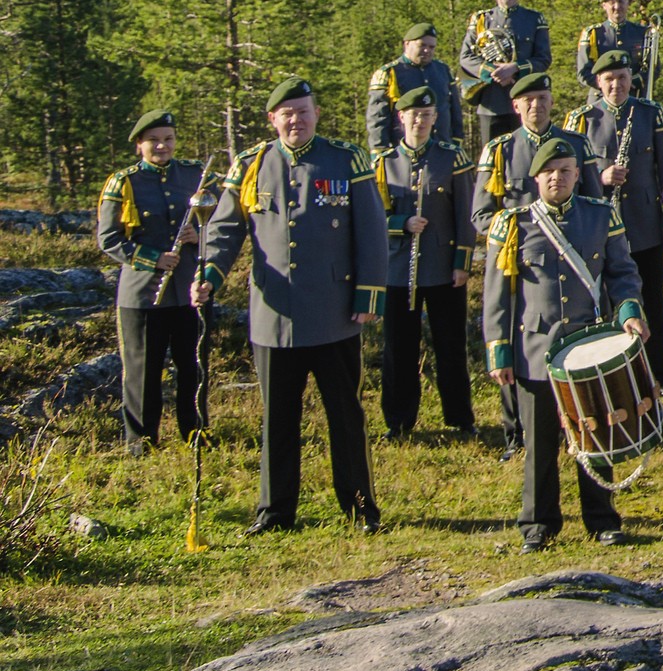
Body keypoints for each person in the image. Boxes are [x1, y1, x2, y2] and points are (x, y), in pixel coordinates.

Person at [195, 77, 385, 535]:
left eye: (303, 111)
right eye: (287, 113)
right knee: (277, 420)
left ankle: (361, 509)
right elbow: (224, 231)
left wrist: (369, 294)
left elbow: (371, 231)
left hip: (334, 313)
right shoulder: (250, 164)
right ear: (272, 120)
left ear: (316, 114)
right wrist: (209, 277)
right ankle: (275, 513)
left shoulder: (347, 158)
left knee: (345, 415)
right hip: (273, 315)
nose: (296, 120)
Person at [482, 137, 646, 552]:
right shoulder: (513, 224)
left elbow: (622, 273)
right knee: (538, 445)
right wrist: (499, 350)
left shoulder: (601, 215)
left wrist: (628, 311)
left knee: (596, 436)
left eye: (566, 170)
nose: (558, 178)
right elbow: (497, 296)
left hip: (589, 344)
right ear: (536, 177)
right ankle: (537, 524)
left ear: (578, 174)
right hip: (535, 350)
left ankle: (602, 518)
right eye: (549, 172)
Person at [473, 72, 604, 459]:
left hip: (572, 266)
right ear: (515, 106)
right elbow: (482, 214)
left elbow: (595, 204)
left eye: (543, 98)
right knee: (522, 351)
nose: (536, 105)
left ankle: (577, 434)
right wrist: (509, 233)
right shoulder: (499, 150)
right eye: (528, 100)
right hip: (519, 264)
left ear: (551, 100)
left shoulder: (577, 144)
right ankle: (520, 436)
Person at [569, 51, 663, 392]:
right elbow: (571, 174)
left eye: (621, 78)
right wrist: (601, 177)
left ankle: (658, 376)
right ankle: (616, 376)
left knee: (652, 300)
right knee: (604, 301)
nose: (616, 85)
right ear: (598, 83)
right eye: (609, 79)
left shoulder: (649, 112)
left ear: (631, 80)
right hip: (601, 229)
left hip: (645, 223)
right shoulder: (583, 118)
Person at [98, 110, 208, 452]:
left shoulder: (195, 175)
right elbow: (109, 239)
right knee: (143, 370)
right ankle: (141, 441)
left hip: (189, 289)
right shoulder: (124, 182)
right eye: (154, 140)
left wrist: (198, 234)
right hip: (144, 294)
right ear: (139, 146)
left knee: (193, 365)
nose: (162, 146)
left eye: (168, 139)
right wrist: (153, 259)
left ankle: (195, 432)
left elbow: (222, 223)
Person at [375, 87, 477, 440]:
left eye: (427, 115)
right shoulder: (383, 162)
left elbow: (466, 215)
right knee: (398, 349)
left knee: (450, 346)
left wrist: (462, 261)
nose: (420, 121)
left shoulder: (451, 157)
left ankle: (459, 419)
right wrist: (399, 224)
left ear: (436, 119)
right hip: (398, 271)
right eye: (413, 115)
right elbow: (373, 216)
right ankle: (399, 421)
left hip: (442, 268)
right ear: (400, 118)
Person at [459, 0, 552, 142]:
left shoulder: (534, 19)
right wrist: (493, 72)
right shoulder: (481, 19)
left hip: (525, 100)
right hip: (491, 102)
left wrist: (515, 68)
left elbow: (543, 58)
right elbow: (466, 57)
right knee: (493, 157)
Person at [366, 22, 461, 151]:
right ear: (406, 44)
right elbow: (378, 118)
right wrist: (380, 150)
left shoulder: (442, 70)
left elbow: (454, 109)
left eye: (431, 47)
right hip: (403, 151)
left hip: (441, 147)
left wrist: (456, 141)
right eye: (422, 45)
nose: (427, 50)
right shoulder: (390, 73)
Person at [574, 0, 650, 104]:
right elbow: (583, 73)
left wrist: (632, 82)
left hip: (634, 97)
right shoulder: (593, 34)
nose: (617, 7)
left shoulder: (642, 33)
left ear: (627, 4)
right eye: (612, 3)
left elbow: (652, 68)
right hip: (600, 100)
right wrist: (609, 86)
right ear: (604, 6)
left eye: (621, 2)